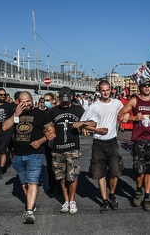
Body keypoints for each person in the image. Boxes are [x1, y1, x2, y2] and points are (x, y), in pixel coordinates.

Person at [2, 91, 54, 224]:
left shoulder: (41, 114)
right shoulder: (15, 113)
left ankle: (29, 211)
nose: (26, 104)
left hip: (34, 154)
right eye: (23, 102)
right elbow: (4, 127)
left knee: (32, 182)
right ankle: (31, 203)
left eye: (28, 101)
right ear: (18, 102)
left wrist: (40, 141)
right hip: (18, 154)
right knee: (24, 183)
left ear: (32, 100)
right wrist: (15, 115)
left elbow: (51, 132)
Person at [118, 79, 150, 211]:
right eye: (144, 85)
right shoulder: (135, 101)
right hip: (139, 140)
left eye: (149, 85)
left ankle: (146, 196)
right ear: (140, 87)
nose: (147, 87)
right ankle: (138, 189)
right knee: (138, 170)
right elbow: (120, 114)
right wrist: (134, 118)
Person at [79, 81, 125, 214]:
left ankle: (111, 194)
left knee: (115, 173)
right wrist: (97, 130)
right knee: (101, 173)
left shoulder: (117, 103)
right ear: (99, 91)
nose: (105, 93)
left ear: (111, 90)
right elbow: (83, 124)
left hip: (112, 142)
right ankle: (104, 200)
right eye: (103, 90)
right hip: (98, 143)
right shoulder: (94, 106)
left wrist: (125, 116)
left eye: (107, 90)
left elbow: (123, 113)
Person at [48, 87, 89, 215]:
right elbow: (48, 126)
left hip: (72, 148)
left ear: (71, 97)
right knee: (61, 176)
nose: (64, 102)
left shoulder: (78, 109)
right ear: (59, 98)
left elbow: (88, 122)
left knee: (73, 175)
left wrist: (83, 126)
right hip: (57, 148)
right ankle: (66, 200)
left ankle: (72, 200)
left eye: (66, 99)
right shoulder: (53, 110)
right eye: (62, 100)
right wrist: (48, 132)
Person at [0, 88, 16, 179]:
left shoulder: (9, 106)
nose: (3, 96)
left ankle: (0, 170)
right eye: (1, 95)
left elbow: (14, 117)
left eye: (4, 95)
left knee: (3, 151)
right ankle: (3, 163)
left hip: (6, 133)